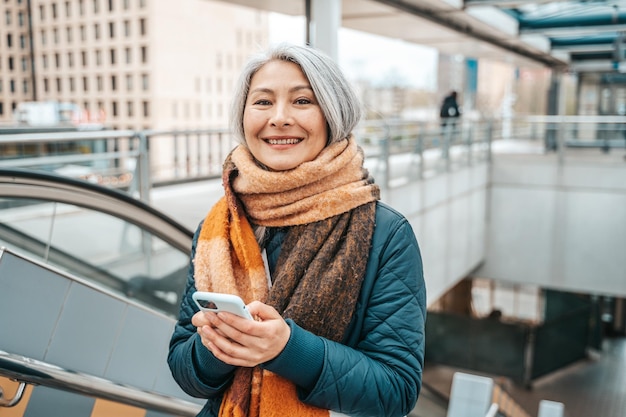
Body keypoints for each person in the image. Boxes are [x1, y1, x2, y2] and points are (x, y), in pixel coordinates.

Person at [167, 43, 426, 417]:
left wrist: (289, 350)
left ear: (333, 115)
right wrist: (218, 346)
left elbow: (396, 391)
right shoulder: (219, 226)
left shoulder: (385, 233)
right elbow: (184, 370)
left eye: (302, 101)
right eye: (262, 102)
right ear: (243, 116)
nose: (280, 118)